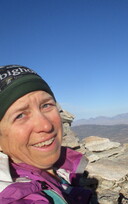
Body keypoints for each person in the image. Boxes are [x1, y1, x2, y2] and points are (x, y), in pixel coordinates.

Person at [0, 65, 92, 203]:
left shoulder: (63, 164)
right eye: (20, 116)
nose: (46, 125)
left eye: (46, 105)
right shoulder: (19, 197)